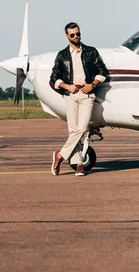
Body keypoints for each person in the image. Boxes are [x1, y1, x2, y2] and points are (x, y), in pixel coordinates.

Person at [49, 22, 108, 177]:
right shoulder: (62, 55)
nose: (76, 37)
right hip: (71, 95)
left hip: (87, 94)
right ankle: (79, 165)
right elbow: (54, 78)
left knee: (81, 128)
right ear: (67, 36)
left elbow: (102, 71)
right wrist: (68, 87)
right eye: (73, 35)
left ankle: (60, 155)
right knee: (73, 130)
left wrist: (93, 84)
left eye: (78, 34)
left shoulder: (91, 52)